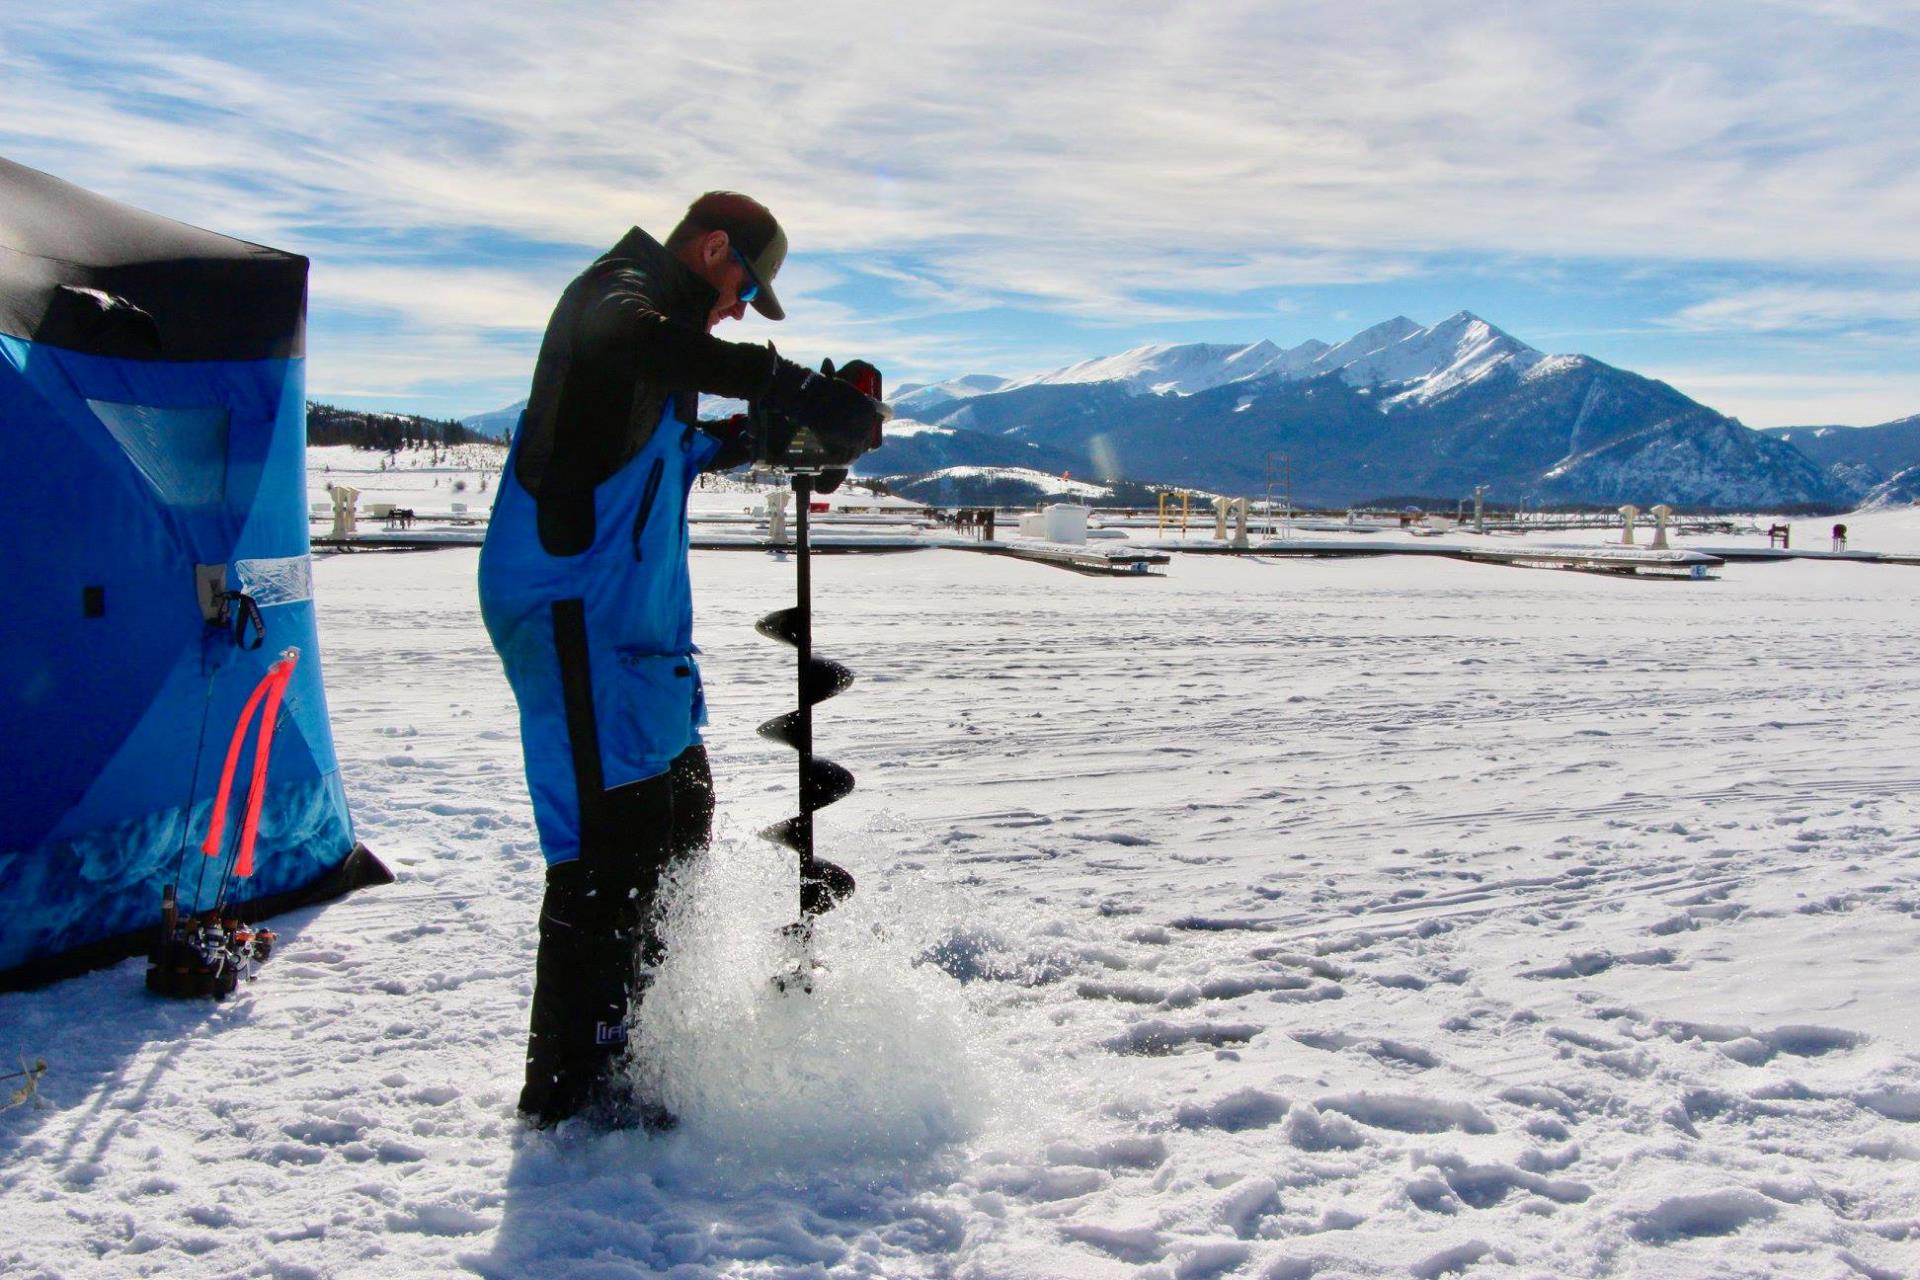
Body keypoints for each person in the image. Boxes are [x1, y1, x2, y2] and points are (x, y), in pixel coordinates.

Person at [478, 191, 883, 1129]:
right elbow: (641, 344)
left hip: (638, 637)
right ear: (712, 249)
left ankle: (651, 1039)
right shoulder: (614, 301)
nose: (739, 307)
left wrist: (780, 437)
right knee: (605, 851)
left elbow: (683, 444)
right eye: (744, 286)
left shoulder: (661, 352)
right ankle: (574, 1096)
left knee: (679, 817)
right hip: (573, 621)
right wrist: (788, 385)